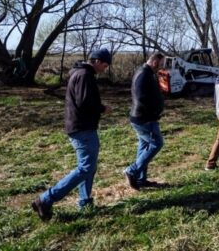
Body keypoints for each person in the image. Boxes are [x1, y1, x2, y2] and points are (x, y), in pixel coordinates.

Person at [31, 48, 112, 221]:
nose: (104, 69)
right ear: (97, 61)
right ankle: (45, 199)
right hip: (82, 127)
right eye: (104, 65)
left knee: (88, 167)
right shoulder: (84, 75)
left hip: (81, 126)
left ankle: (85, 202)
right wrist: (102, 108)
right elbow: (84, 103)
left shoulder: (80, 73)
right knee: (86, 167)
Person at [123, 52, 166, 189]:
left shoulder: (147, 73)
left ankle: (141, 179)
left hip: (144, 117)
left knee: (144, 146)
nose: (161, 67)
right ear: (154, 62)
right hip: (144, 118)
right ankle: (132, 170)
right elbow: (141, 97)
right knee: (156, 143)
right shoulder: (143, 74)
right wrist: (153, 111)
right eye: (161, 64)